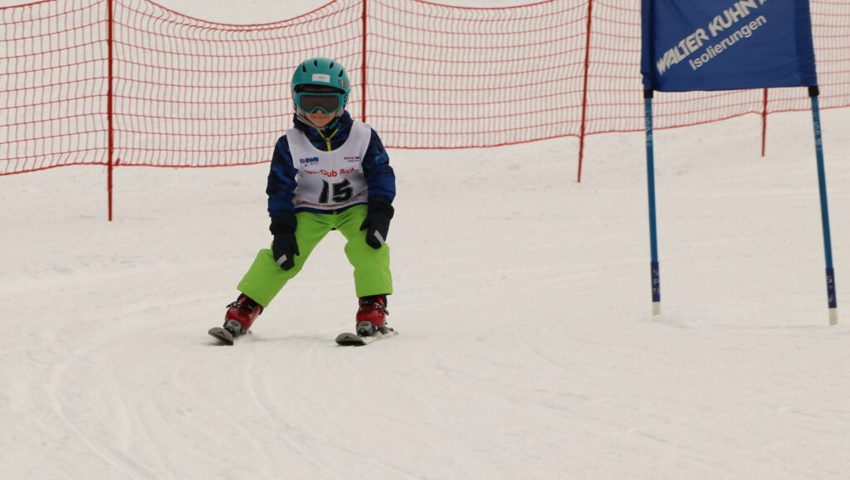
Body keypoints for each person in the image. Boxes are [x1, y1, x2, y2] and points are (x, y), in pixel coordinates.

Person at [219, 56, 395, 339]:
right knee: (284, 255)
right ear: (295, 101)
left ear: (343, 102)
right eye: (308, 101)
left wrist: (380, 211)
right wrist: (283, 228)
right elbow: (279, 189)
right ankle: (246, 307)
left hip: (355, 206)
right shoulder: (290, 143)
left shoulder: (362, 136)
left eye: (328, 104)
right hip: (311, 209)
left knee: (370, 245)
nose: (318, 111)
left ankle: (372, 306)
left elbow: (380, 173)